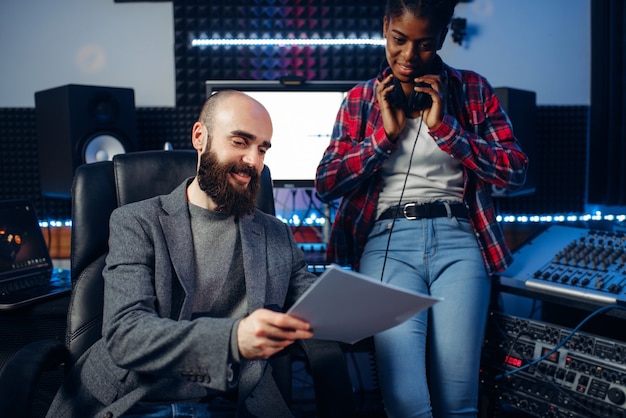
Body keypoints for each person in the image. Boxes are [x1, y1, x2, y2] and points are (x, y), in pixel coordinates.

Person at [315, 0, 529, 417]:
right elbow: (327, 183)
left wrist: (445, 129)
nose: (409, 56)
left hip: (460, 242)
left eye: (425, 44)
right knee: (405, 401)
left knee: (457, 401)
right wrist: (384, 137)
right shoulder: (359, 100)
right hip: (387, 243)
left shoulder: (473, 90)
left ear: (443, 39)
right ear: (384, 28)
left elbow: (515, 171)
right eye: (399, 40)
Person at [47, 90, 316, 418]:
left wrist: (370, 303)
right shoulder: (137, 221)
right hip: (139, 398)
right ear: (200, 138)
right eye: (240, 142)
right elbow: (126, 335)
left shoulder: (275, 234)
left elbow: (316, 304)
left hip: (234, 403)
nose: (253, 161)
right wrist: (232, 339)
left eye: (262, 149)